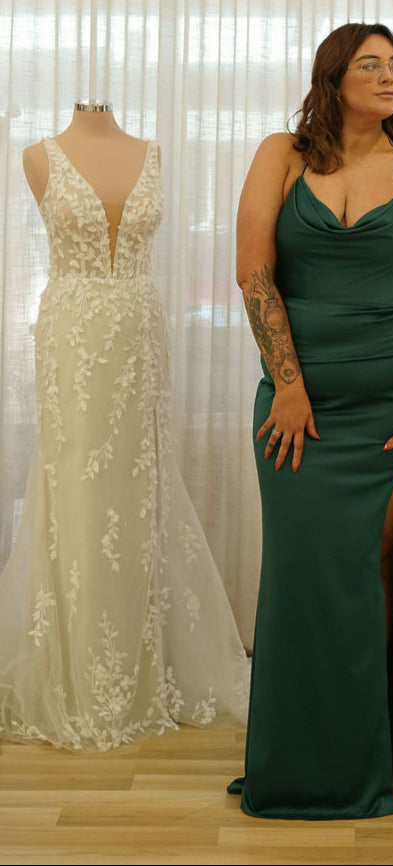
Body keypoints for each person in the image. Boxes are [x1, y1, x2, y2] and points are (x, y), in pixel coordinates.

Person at [228, 23, 393, 819]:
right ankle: (309, 759)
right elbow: (254, 274)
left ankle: (380, 749)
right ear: (333, 79)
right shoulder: (282, 154)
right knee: (307, 576)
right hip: (297, 408)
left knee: (380, 570)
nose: (390, 76)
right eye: (371, 64)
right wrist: (287, 386)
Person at [0, 101, 250, 751]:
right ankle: (81, 673)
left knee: (139, 486)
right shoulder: (38, 156)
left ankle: (141, 664)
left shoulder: (152, 153)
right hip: (73, 335)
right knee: (76, 488)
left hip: (139, 329)